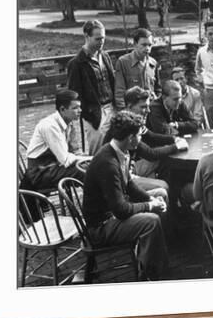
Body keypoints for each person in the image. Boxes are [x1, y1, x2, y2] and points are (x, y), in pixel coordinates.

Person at [82, 111, 169, 280]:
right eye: (139, 135)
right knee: (152, 221)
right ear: (130, 138)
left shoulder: (121, 151)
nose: (140, 139)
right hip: (101, 227)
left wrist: (150, 199)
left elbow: (128, 185)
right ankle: (150, 274)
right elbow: (121, 210)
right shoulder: (108, 163)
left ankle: (155, 254)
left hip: (113, 212)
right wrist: (150, 206)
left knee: (161, 193)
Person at [103, 86, 188, 188]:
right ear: (130, 107)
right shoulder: (126, 125)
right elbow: (150, 154)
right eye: (143, 107)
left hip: (129, 165)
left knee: (165, 158)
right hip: (121, 175)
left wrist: (174, 139)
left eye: (148, 106)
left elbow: (151, 136)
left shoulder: (134, 119)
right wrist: (177, 146)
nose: (148, 111)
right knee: (163, 184)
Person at [21, 90, 84, 194]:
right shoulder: (50, 126)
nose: (80, 110)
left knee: (92, 166)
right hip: (40, 172)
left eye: (80, 107)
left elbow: (75, 151)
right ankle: (94, 206)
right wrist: (89, 159)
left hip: (54, 166)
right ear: (62, 109)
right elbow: (66, 160)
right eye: (75, 108)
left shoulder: (69, 123)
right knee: (84, 171)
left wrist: (90, 160)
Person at [67, 20, 115, 155]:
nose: (101, 42)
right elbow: (74, 94)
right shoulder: (76, 63)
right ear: (87, 37)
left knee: (116, 147)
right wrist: (88, 114)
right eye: (98, 38)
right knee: (98, 152)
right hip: (95, 114)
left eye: (103, 38)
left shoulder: (105, 56)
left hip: (112, 108)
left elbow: (112, 81)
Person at [114, 28, 161, 109]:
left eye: (150, 45)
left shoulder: (153, 63)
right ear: (135, 44)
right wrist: (124, 112)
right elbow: (119, 93)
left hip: (151, 110)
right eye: (144, 45)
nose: (147, 48)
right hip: (133, 111)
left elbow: (158, 90)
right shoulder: (123, 62)